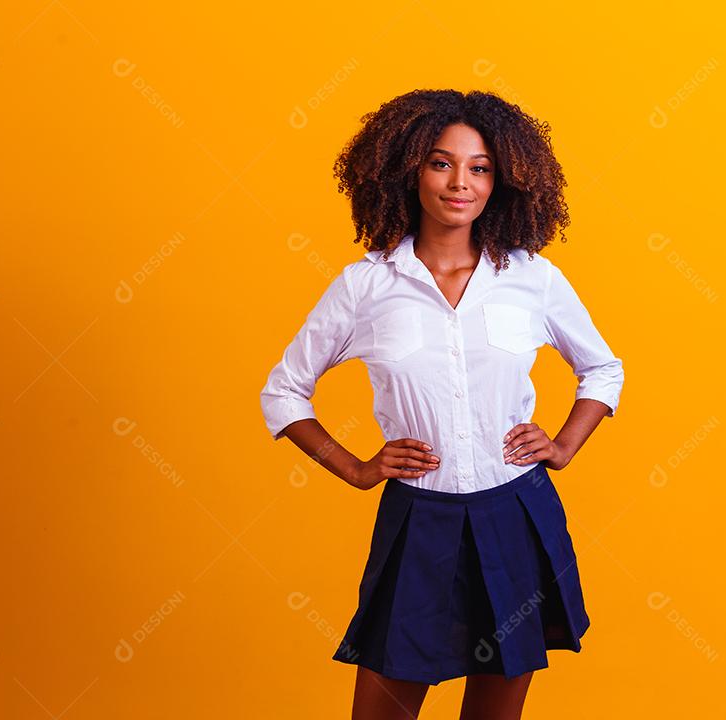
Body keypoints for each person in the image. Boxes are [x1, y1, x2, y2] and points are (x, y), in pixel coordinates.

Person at [260, 89, 624, 720]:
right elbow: (284, 390)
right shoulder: (366, 286)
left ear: (502, 180)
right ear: (409, 171)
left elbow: (602, 368)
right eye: (441, 163)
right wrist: (355, 468)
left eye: (480, 167)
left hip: (516, 514)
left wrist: (563, 445)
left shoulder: (533, 279)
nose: (462, 183)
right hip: (418, 522)